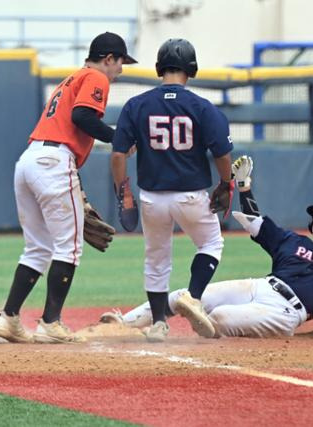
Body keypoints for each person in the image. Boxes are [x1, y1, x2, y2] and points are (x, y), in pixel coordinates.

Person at [101, 156, 313, 338]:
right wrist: (245, 187)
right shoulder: (291, 241)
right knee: (184, 296)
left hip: (285, 313)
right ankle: (123, 323)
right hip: (260, 286)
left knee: (219, 317)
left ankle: (207, 324)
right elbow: (255, 221)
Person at [0, 32, 137, 344]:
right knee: (68, 247)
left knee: (38, 248)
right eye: (121, 61)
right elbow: (82, 117)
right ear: (108, 58)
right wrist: (119, 139)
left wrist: (77, 190)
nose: (121, 69)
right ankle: (50, 323)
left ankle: (9, 318)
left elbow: (69, 125)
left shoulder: (70, 80)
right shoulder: (97, 77)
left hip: (30, 160)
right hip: (55, 161)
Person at [110, 38, 234, 343]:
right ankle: (191, 296)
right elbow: (221, 153)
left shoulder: (136, 105)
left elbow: (117, 154)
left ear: (158, 69)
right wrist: (226, 183)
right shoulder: (202, 107)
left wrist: (122, 190)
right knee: (211, 244)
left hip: (152, 197)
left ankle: (158, 325)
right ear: (191, 70)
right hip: (191, 194)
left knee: (156, 258)